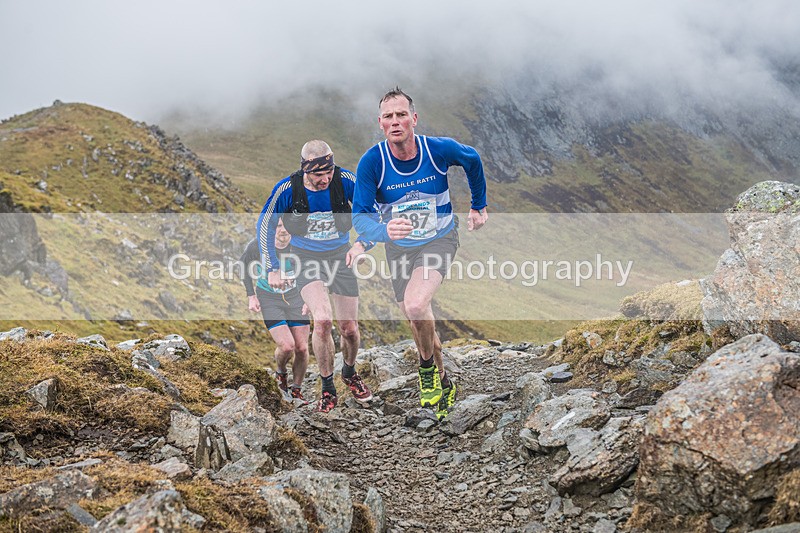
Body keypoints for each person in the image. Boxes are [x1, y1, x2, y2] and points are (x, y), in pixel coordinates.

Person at [353, 87, 488, 420]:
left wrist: (478, 205)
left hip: (439, 239)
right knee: (418, 320)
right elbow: (360, 217)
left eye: (401, 115)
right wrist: (384, 231)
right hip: (399, 249)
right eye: (388, 116)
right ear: (380, 123)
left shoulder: (437, 149)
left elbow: (472, 159)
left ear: (413, 118)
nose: (395, 121)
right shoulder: (372, 162)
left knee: (416, 304)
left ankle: (425, 369)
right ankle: (444, 380)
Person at [257, 140, 374, 413]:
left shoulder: (346, 181)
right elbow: (265, 225)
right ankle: (327, 388)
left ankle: (349, 372)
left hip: (341, 255)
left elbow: (371, 212)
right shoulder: (287, 189)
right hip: (305, 258)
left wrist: (362, 244)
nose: (325, 179)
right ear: (305, 170)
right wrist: (272, 267)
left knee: (349, 329)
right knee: (322, 321)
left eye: (328, 172)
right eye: (318, 174)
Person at [240, 218, 310, 403]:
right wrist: (251, 295)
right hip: (269, 298)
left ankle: (297, 389)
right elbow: (243, 267)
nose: (283, 230)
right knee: (287, 346)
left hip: (296, 298)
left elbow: (312, 271)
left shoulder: (300, 244)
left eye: (286, 225)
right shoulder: (258, 245)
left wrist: (310, 299)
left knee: (302, 348)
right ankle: (281, 372)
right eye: (278, 226)